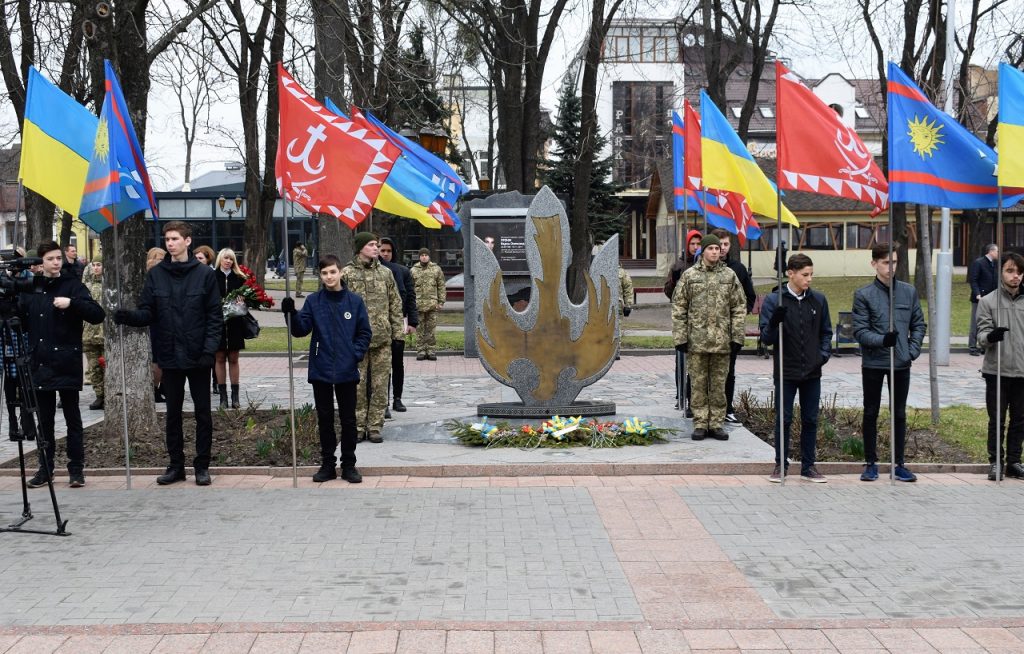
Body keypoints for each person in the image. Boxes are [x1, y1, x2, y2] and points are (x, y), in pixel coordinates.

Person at [114, 221, 222, 486]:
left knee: (203, 414)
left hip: (198, 356)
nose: (170, 243)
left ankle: (202, 466)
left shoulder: (205, 275)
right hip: (170, 355)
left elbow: (214, 317)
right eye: (167, 239)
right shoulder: (156, 275)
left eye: (175, 238)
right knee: (172, 413)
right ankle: (176, 465)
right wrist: (128, 316)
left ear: (187, 241)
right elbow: (148, 311)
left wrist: (208, 351)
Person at [282, 255, 372, 483]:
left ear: (340, 272)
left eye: (332, 272)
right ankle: (327, 464)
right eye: (324, 273)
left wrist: (355, 354)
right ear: (320, 276)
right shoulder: (314, 301)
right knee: (324, 418)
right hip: (321, 368)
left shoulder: (354, 301)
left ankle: (349, 464)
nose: (329, 277)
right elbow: (301, 329)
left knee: (349, 419)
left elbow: (364, 332)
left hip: (346, 369)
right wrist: (290, 313)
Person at [22, 241, 105, 488]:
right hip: (40, 361)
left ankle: (76, 469)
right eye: (51, 259)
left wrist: (73, 303)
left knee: (73, 418)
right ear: (41, 262)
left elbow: (97, 313)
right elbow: (19, 315)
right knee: (44, 420)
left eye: (59, 258)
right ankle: (45, 468)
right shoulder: (32, 287)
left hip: (67, 360)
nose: (56, 262)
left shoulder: (73, 285)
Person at [852, 242, 927, 483]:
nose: (891, 267)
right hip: (874, 363)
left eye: (894, 262)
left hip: (901, 364)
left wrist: (911, 351)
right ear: (874, 264)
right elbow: (860, 331)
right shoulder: (863, 294)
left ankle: (899, 463)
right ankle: (871, 463)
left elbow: (918, 324)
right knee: (871, 412)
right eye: (886, 262)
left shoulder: (908, 291)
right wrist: (883, 340)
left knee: (899, 413)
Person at [760, 254, 833, 483]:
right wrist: (774, 322)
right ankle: (781, 464)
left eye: (811, 274)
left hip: (812, 370)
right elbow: (767, 338)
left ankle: (808, 466)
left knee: (811, 419)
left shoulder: (818, 300)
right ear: (790, 273)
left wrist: (822, 356)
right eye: (805, 275)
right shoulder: (775, 301)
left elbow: (826, 332)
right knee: (784, 418)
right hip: (786, 370)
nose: (809, 279)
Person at [672, 233, 746, 441]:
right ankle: (700, 422)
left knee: (718, 384)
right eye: (710, 249)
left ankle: (716, 423)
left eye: (717, 248)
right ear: (702, 251)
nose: (715, 252)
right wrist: (681, 337)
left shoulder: (729, 276)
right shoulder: (690, 276)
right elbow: (679, 307)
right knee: (697, 383)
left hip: (722, 342)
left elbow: (739, 307)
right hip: (697, 341)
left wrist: (736, 336)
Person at [342, 232, 402, 443]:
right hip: (355, 341)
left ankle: (375, 426)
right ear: (360, 248)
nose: (376, 248)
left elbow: (395, 304)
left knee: (379, 385)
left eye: (377, 245)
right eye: (371, 245)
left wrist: (397, 333)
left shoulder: (386, 274)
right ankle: (358, 426)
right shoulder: (347, 274)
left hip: (381, 339)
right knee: (357, 385)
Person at [976, 251, 1024, 481]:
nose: (1015, 276)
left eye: (1019, 272)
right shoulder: (988, 301)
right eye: (1010, 270)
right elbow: (981, 335)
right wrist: (991, 336)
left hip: (1022, 371)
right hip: (996, 371)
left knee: (1020, 419)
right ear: (1001, 272)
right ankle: (996, 461)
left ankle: (1014, 461)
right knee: (997, 420)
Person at [712, 229, 756, 424]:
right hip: (707, 331)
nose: (722, 249)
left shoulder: (738, 269)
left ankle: (727, 408)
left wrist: (738, 316)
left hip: (730, 331)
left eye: (726, 244)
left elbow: (749, 296)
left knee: (729, 371)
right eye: (718, 244)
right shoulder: (701, 268)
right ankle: (700, 408)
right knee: (704, 371)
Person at [379, 237, 417, 412]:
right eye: (382, 250)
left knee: (397, 362)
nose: (385, 254)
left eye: (389, 251)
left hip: (398, 322)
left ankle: (397, 398)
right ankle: (383, 402)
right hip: (379, 323)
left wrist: (412, 322)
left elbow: (410, 297)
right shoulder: (375, 271)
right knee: (381, 365)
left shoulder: (403, 271)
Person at [666, 229, 702, 414]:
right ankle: (681, 395)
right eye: (692, 244)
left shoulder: (704, 265)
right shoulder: (679, 265)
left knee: (698, 364)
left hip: (701, 322)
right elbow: (669, 293)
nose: (695, 247)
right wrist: (673, 282)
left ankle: (693, 398)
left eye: (698, 244)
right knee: (681, 361)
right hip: (684, 320)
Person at [213, 249, 247, 409]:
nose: (228, 261)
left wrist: (242, 302)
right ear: (220, 259)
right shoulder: (212, 277)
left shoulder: (239, 278)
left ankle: (235, 397)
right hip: (217, 324)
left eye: (231, 259)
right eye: (226, 258)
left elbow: (246, 301)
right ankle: (223, 397)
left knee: (233, 358)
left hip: (234, 323)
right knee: (219, 358)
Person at [411, 247, 446, 362]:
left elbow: (441, 286)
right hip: (418, 305)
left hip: (432, 304)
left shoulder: (436, 269)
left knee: (431, 329)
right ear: (419, 256)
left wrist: (441, 301)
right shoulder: (413, 270)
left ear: (429, 256)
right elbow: (410, 288)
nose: (424, 257)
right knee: (420, 329)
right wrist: (410, 304)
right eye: (422, 255)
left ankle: (431, 351)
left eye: (426, 255)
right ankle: (421, 350)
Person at [83, 257, 106, 411]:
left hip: (104, 334)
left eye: (99, 265)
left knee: (106, 365)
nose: (96, 268)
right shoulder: (86, 286)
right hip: (89, 334)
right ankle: (99, 395)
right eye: (94, 265)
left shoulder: (108, 286)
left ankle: (110, 393)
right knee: (93, 367)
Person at [968, 244, 999, 356]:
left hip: (992, 298)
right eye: (997, 251)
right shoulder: (979, 262)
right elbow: (974, 280)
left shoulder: (995, 264)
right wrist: (977, 294)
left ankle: (984, 346)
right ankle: (972, 347)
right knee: (975, 322)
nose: (998, 253)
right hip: (980, 298)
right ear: (991, 251)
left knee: (990, 322)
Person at [146, 248, 167, 403]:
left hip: (163, 321)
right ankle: (155, 389)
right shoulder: (154, 275)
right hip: (156, 321)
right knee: (158, 359)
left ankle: (161, 388)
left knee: (161, 358)